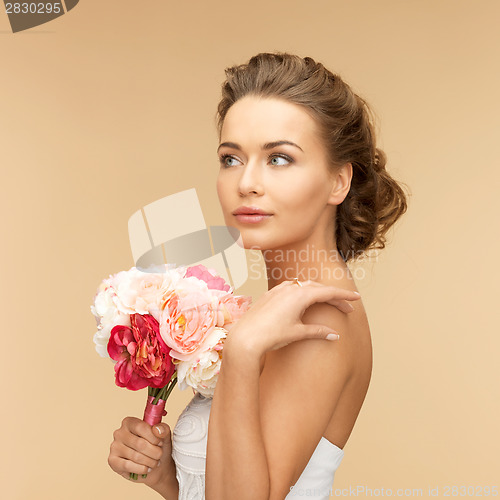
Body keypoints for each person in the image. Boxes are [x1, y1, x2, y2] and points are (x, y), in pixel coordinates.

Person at [107, 51, 409, 499]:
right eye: (231, 159)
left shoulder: (321, 318)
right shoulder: (281, 307)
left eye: (279, 159)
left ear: (338, 182)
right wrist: (167, 477)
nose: (246, 183)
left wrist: (243, 349)